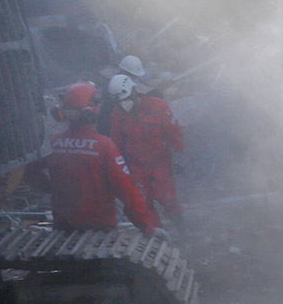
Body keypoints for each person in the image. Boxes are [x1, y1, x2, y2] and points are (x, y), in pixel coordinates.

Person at [25, 81, 167, 240]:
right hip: (99, 232)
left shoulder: (53, 143)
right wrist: (146, 226)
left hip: (63, 230)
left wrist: (51, 189)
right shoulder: (104, 146)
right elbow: (127, 192)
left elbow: (28, 171)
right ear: (91, 111)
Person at [107, 73, 185, 234]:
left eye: (126, 98)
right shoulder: (117, 115)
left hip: (160, 163)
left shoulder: (158, 106)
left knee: (168, 199)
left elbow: (174, 132)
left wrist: (179, 156)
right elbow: (116, 143)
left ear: (134, 91)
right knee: (143, 204)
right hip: (137, 166)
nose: (124, 104)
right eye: (120, 101)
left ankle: (181, 228)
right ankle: (158, 236)